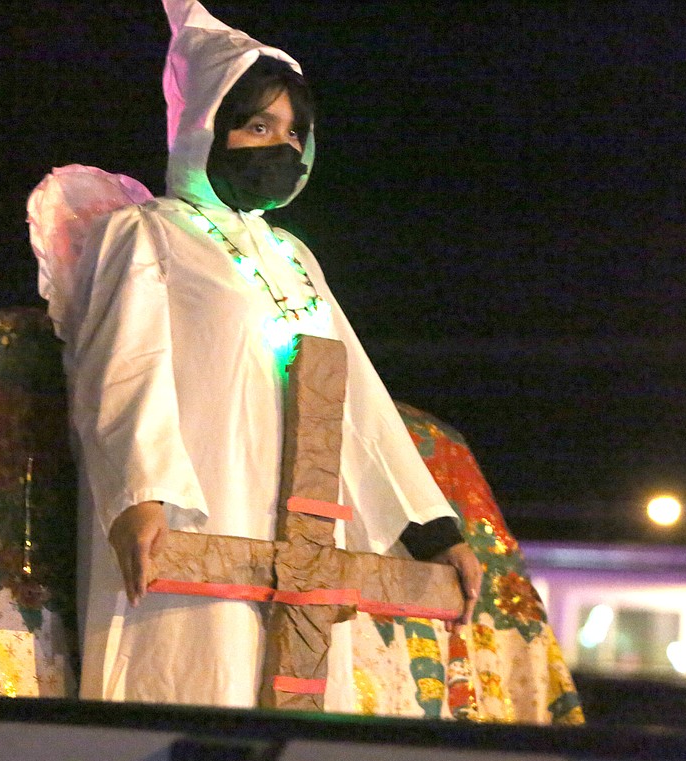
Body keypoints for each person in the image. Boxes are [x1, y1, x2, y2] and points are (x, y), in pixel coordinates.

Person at [50, 0, 481, 709]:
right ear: (207, 129)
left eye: (292, 131)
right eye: (258, 125)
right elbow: (124, 371)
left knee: (298, 721)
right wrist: (139, 494)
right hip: (194, 521)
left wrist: (431, 533)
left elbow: (360, 401)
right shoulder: (147, 234)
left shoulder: (294, 257)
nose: (281, 145)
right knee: (194, 690)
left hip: (305, 540)